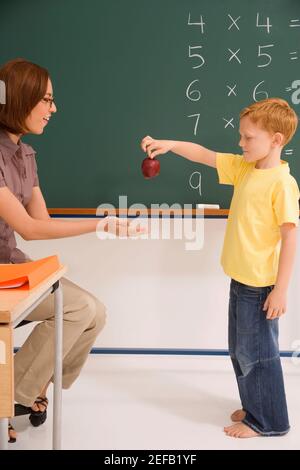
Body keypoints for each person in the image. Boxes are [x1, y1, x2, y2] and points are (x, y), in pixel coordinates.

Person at [0, 58, 143, 443]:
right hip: (1, 275)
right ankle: (10, 399)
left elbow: (39, 222)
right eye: (46, 99)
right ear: (20, 98)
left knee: (94, 312)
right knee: (77, 307)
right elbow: (28, 227)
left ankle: (30, 391)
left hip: (9, 268)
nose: (53, 109)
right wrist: (101, 223)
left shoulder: (25, 154)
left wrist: (103, 221)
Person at [141, 97, 300, 438]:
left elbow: (291, 239)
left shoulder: (282, 184)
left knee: (258, 354)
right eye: (241, 136)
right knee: (241, 350)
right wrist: (169, 145)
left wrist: (282, 290)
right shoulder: (246, 168)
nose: (240, 143)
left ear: (276, 140)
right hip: (240, 280)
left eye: (248, 138)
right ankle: (255, 406)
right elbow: (204, 154)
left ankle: (270, 421)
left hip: (260, 286)